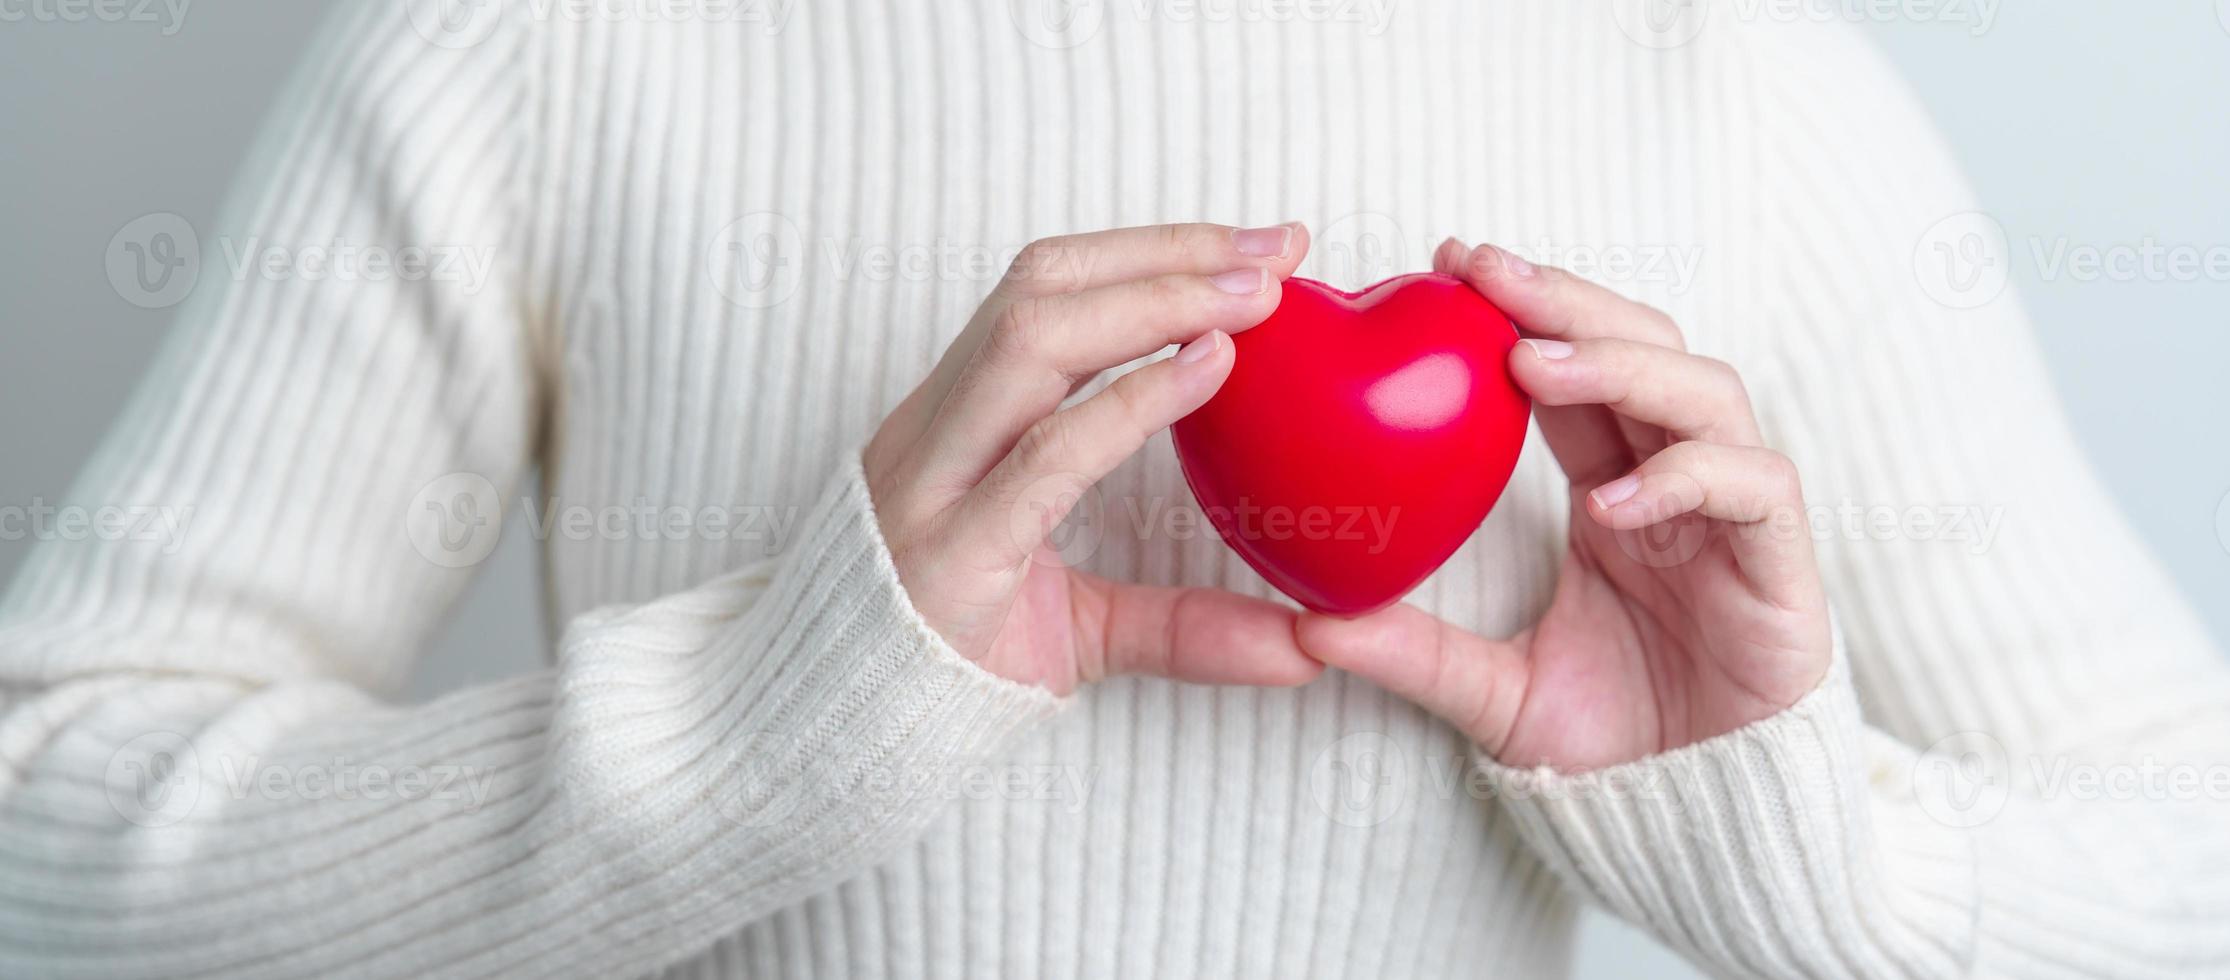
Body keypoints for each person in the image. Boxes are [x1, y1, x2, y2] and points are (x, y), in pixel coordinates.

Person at [3, 2, 2225, 977]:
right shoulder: (555, 47)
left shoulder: (1737, 94)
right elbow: (40, 811)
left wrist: (1799, 839)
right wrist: (754, 744)